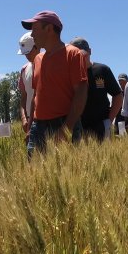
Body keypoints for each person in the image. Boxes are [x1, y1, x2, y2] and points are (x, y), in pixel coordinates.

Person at [21, 11, 88, 156]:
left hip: (63, 123)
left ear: (49, 29)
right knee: (34, 173)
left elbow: (81, 93)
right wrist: (30, 127)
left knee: (68, 173)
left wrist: (66, 128)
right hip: (38, 126)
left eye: (34, 29)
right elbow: (35, 97)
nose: (32, 35)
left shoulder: (73, 54)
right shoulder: (38, 59)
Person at [69, 37, 122, 142]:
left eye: (82, 54)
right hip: (78, 126)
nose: (80, 57)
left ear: (90, 51)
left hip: (101, 125)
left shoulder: (102, 70)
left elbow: (118, 95)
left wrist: (108, 120)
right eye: (75, 55)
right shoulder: (69, 73)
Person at [17, 32, 40, 137]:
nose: (26, 56)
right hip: (29, 119)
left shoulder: (49, 65)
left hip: (45, 118)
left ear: (37, 47)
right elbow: (23, 97)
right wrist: (24, 119)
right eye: (24, 53)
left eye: (28, 52)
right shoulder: (24, 69)